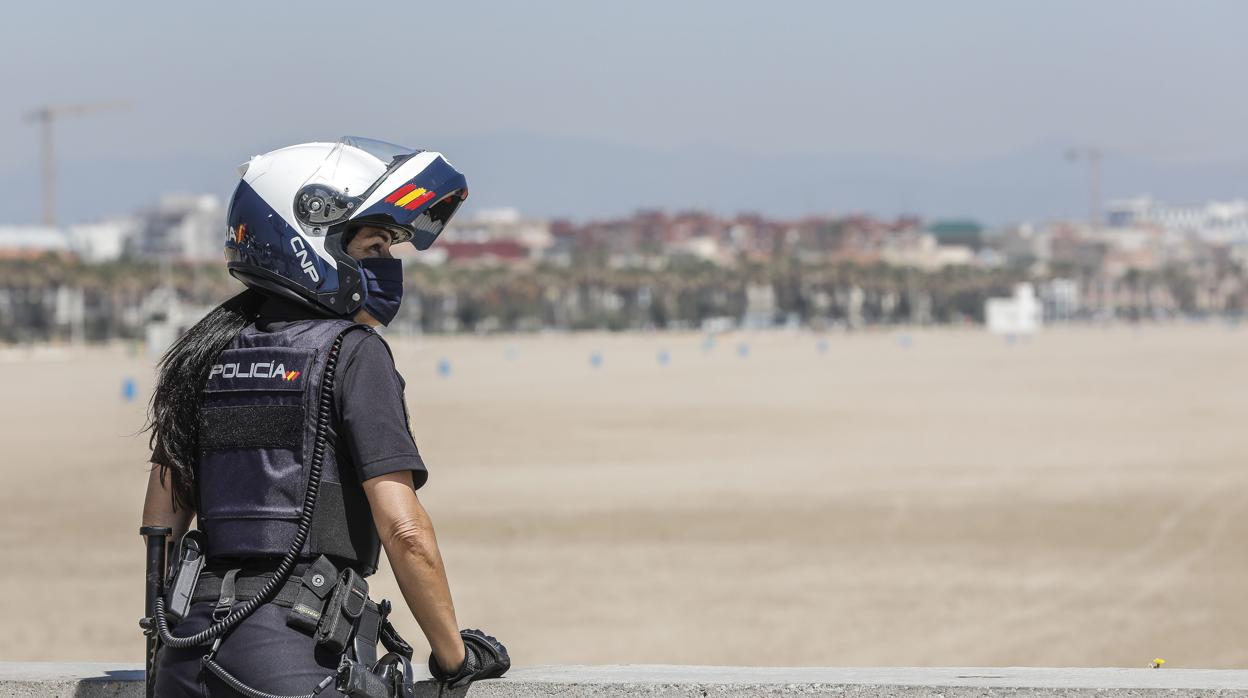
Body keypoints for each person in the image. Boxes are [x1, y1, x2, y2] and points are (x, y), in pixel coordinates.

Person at [140, 137, 509, 697]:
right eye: (375, 247)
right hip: (292, 654)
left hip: (187, 653)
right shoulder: (352, 352)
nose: (388, 267)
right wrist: (455, 658)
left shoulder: (203, 352)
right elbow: (405, 532)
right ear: (312, 242)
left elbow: (161, 527)